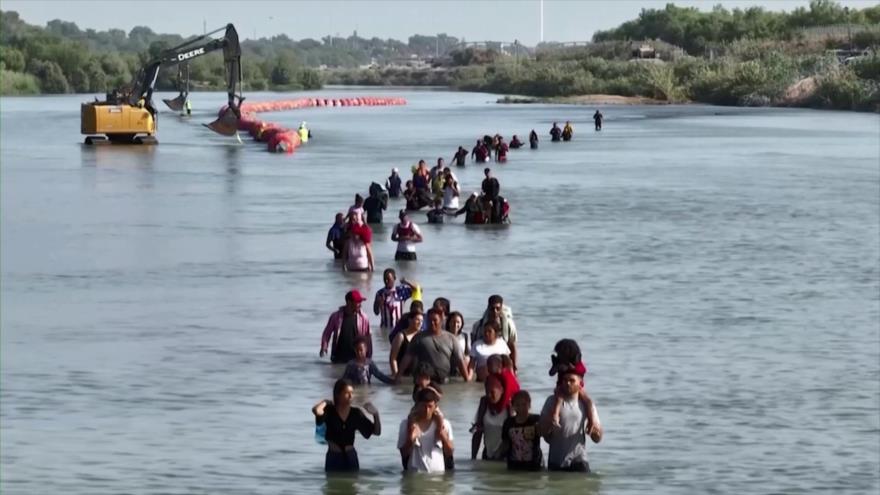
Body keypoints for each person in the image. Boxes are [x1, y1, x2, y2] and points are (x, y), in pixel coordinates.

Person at [540, 367, 603, 472]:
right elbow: (541, 432)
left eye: (572, 380)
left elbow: (598, 438)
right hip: (556, 460)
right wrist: (551, 418)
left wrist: (594, 432)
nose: (568, 383)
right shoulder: (551, 401)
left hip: (579, 460)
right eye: (565, 380)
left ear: (580, 383)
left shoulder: (587, 405)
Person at [312, 379, 381, 471]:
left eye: (352, 393)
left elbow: (376, 432)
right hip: (333, 457)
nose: (350, 396)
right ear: (338, 394)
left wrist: (375, 414)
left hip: (351, 457)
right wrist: (325, 402)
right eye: (347, 393)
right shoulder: (329, 411)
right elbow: (317, 411)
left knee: (352, 483)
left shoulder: (355, 413)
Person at [398, 309, 472, 383]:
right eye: (429, 321)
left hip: (444, 380)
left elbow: (460, 361)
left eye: (435, 320)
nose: (432, 323)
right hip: (424, 380)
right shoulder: (418, 338)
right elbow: (407, 358)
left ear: (441, 321)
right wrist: (397, 378)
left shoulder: (451, 339)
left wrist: (466, 379)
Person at [398, 387, 453, 473]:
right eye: (423, 406)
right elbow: (403, 454)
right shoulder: (405, 424)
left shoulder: (445, 424)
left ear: (435, 406)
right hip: (415, 476)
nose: (427, 411)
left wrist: (443, 437)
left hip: (438, 477)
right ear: (417, 405)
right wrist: (410, 438)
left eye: (430, 406)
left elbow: (449, 452)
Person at [320, 290, 372, 364]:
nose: (360, 304)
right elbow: (327, 333)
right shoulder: (336, 316)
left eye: (360, 302)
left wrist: (369, 356)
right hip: (339, 358)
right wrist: (324, 347)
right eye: (357, 302)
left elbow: (368, 337)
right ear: (349, 302)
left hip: (357, 359)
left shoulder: (364, 317)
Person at [470, 373, 511, 461]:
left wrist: (500, 452)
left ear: (502, 390)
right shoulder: (484, 405)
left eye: (492, 392)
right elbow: (478, 433)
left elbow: (513, 436)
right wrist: (473, 458)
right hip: (488, 455)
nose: (489, 395)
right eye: (487, 391)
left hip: (506, 457)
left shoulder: (510, 408)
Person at [471, 295, 518, 369]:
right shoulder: (478, 326)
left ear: (501, 308)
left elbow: (512, 346)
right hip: (484, 363)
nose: (495, 311)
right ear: (488, 308)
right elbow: (473, 347)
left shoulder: (509, 325)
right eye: (492, 308)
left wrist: (514, 367)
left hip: (502, 362)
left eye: (498, 308)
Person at [501, 390, 543, 471]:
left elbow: (544, 434)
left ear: (529, 405)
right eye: (517, 405)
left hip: (534, 465)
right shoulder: (509, 423)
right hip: (514, 465)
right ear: (513, 406)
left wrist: (540, 427)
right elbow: (505, 442)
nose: (521, 408)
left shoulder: (535, 420)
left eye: (524, 404)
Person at [390, 311, 424, 377]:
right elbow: (393, 358)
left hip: (417, 376)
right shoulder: (401, 336)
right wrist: (396, 375)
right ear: (410, 320)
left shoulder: (422, 335)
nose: (420, 323)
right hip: (403, 375)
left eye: (422, 321)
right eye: (417, 320)